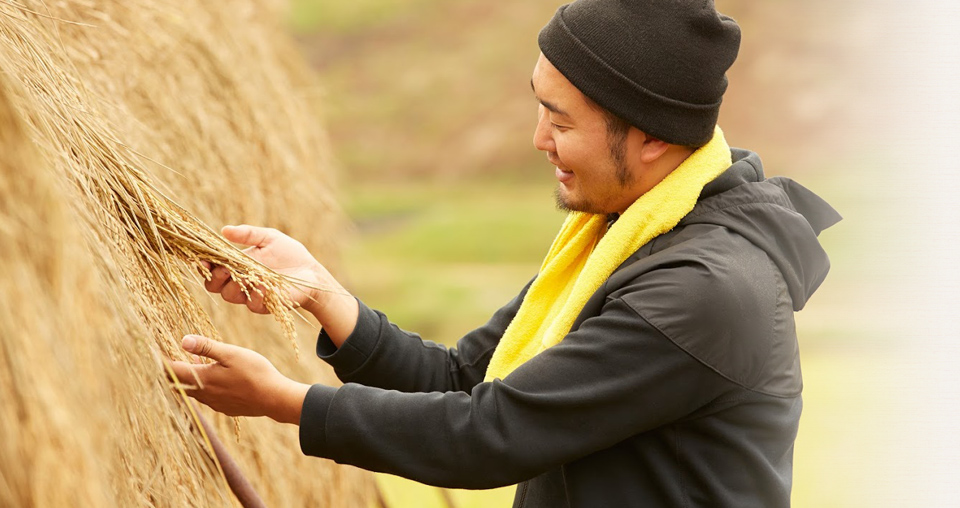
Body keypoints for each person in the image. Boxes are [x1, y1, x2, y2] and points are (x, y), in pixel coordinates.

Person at [170, 0, 841, 506]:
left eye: (562, 121)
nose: (538, 139)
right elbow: (465, 380)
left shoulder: (704, 292)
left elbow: (489, 434)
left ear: (652, 140)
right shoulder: (617, 240)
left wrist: (284, 400)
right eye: (539, 109)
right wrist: (321, 293)